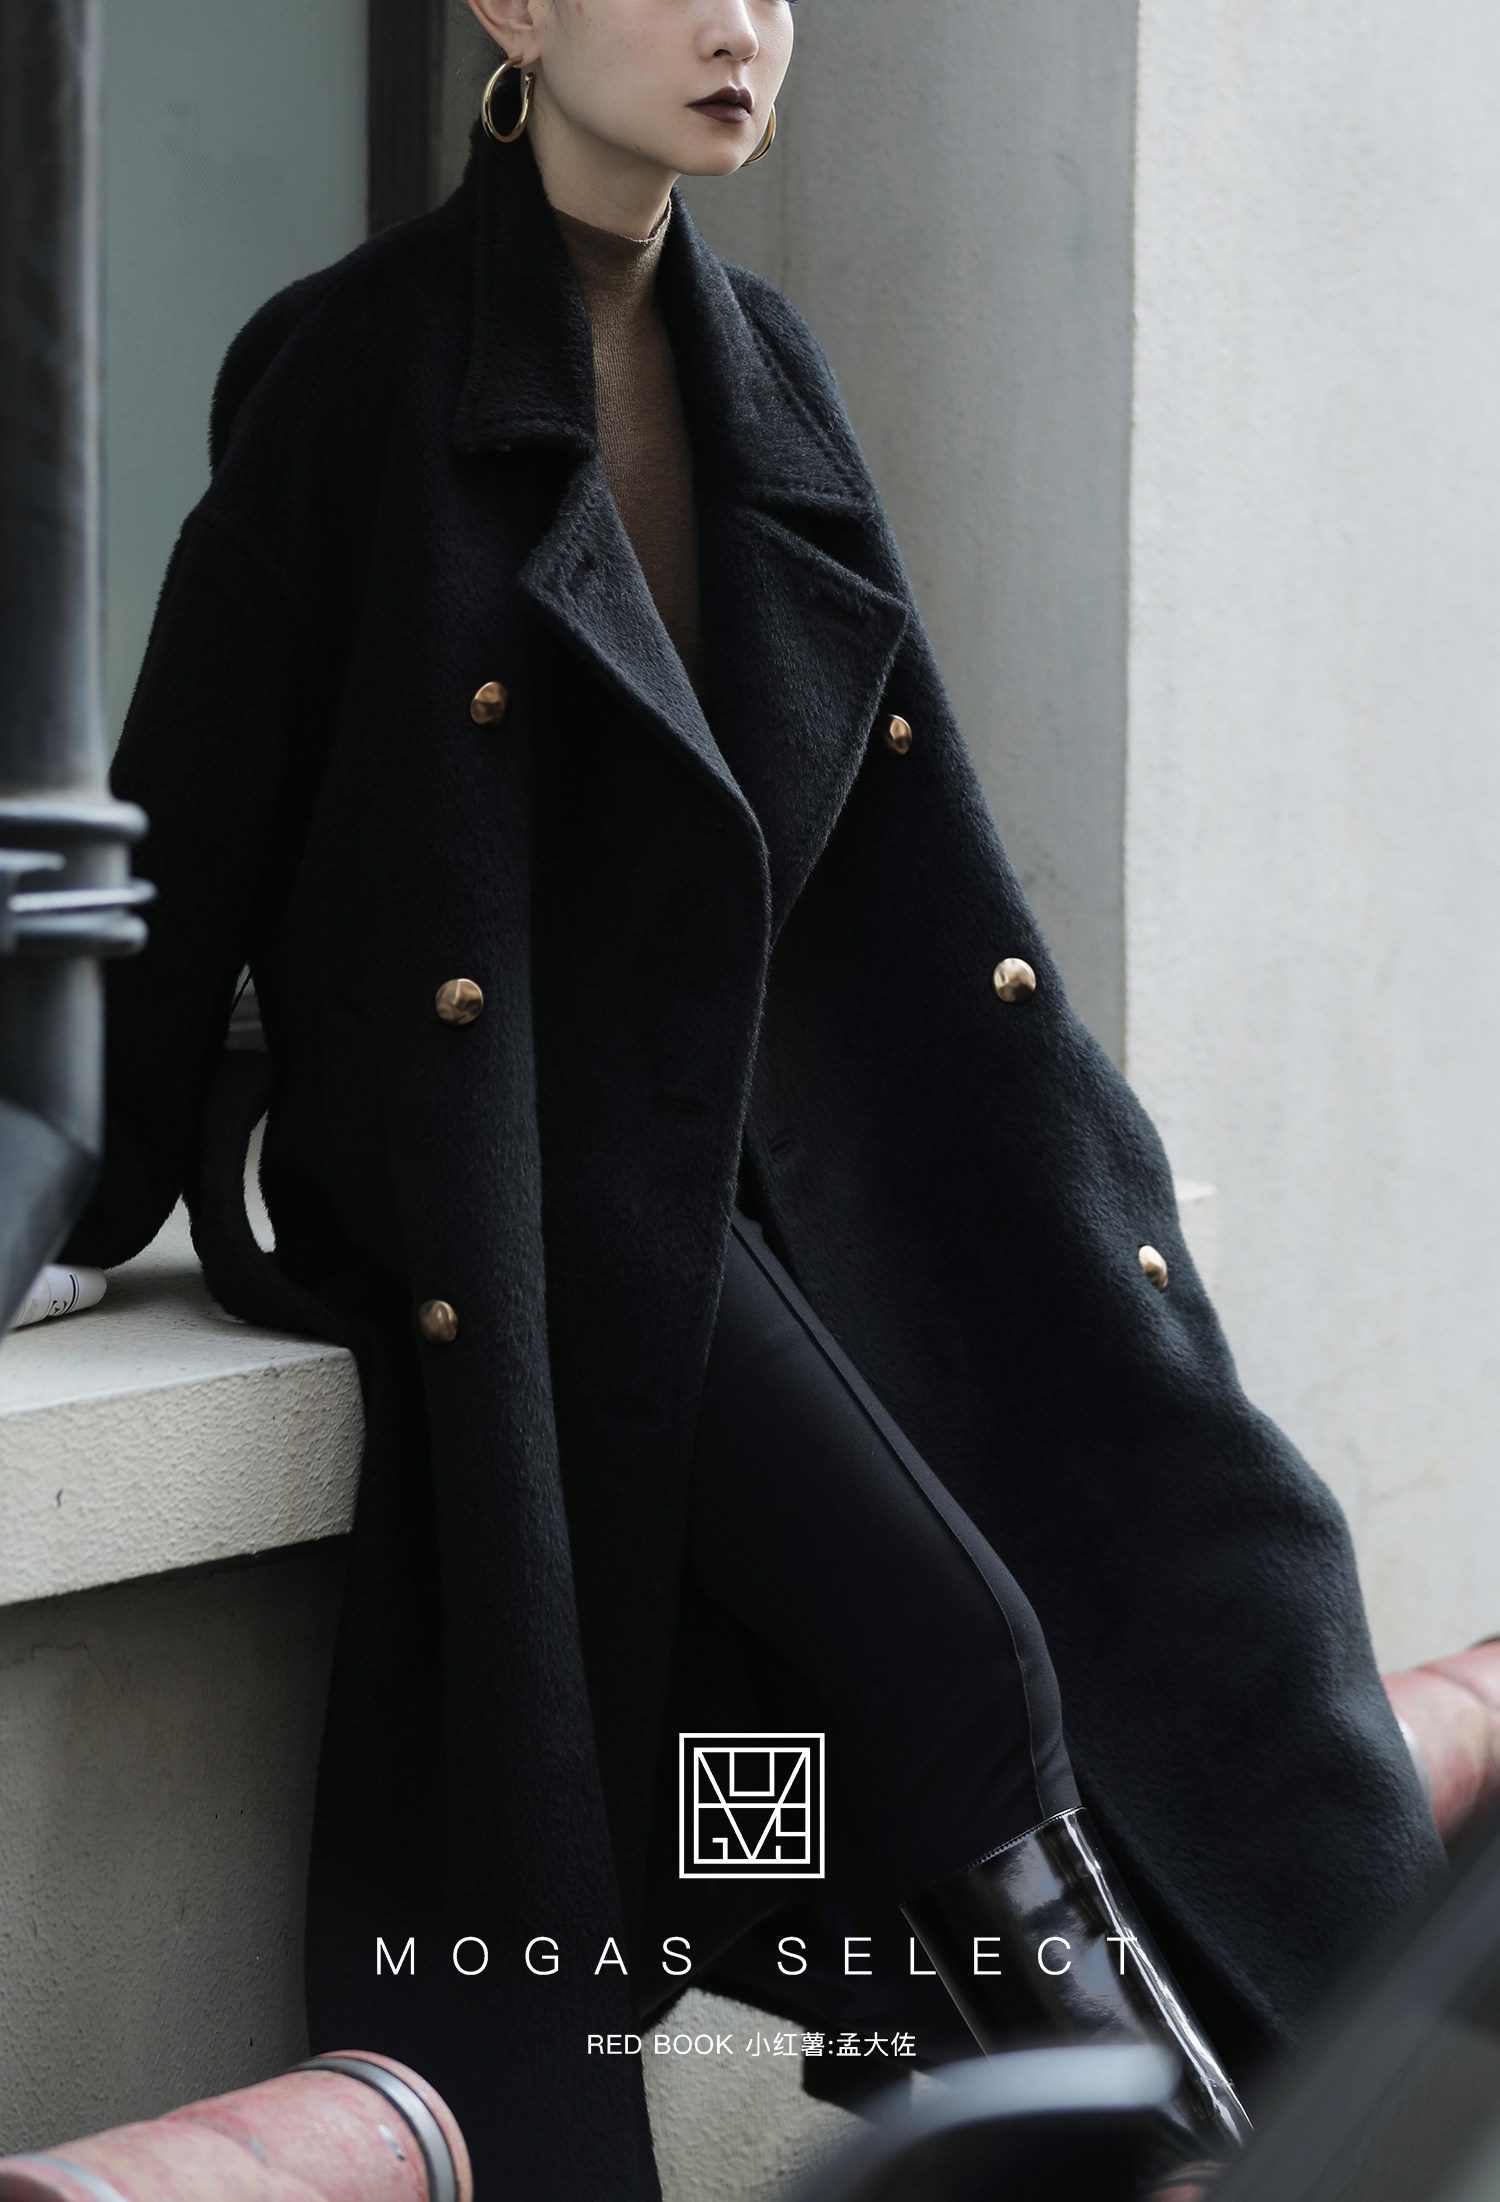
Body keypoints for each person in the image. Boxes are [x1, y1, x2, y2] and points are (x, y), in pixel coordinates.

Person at [68, 0, 1445, 2194]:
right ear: (515, 10)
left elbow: (913, 863)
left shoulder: (763, 363)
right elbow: (186, 819)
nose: (743, 27)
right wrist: (71, 1173)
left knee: (1192, 1568)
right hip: (514, 1171)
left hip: (741, 1155)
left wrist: (1054, 1165)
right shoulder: (356, 367)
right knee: (965, 1654)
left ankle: (1216, 2140)